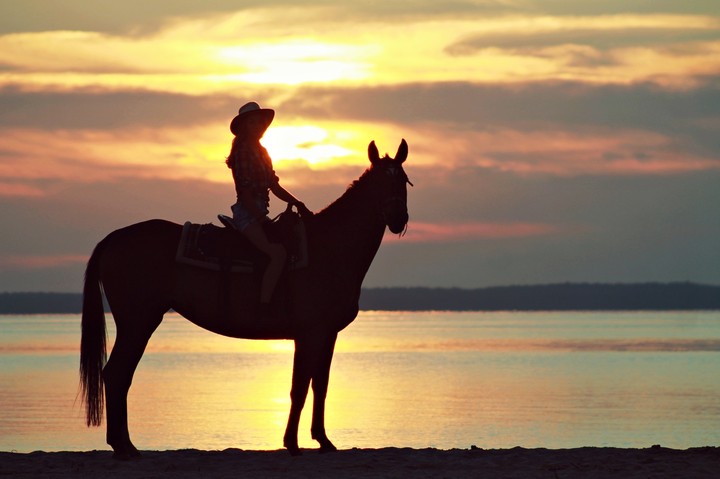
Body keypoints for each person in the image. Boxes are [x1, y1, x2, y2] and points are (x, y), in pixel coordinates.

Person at [226, 102, 306, 318]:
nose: (259, 126)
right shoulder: (242, 151)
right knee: (277, 253)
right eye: (253, 122)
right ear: (244, 126)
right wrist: (260, 217)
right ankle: (263, 307)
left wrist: (298, 203)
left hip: (260, 212)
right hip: (247, 213)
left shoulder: (262, 152)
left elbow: (275, 186)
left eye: (260, 122)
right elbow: (245, 193)